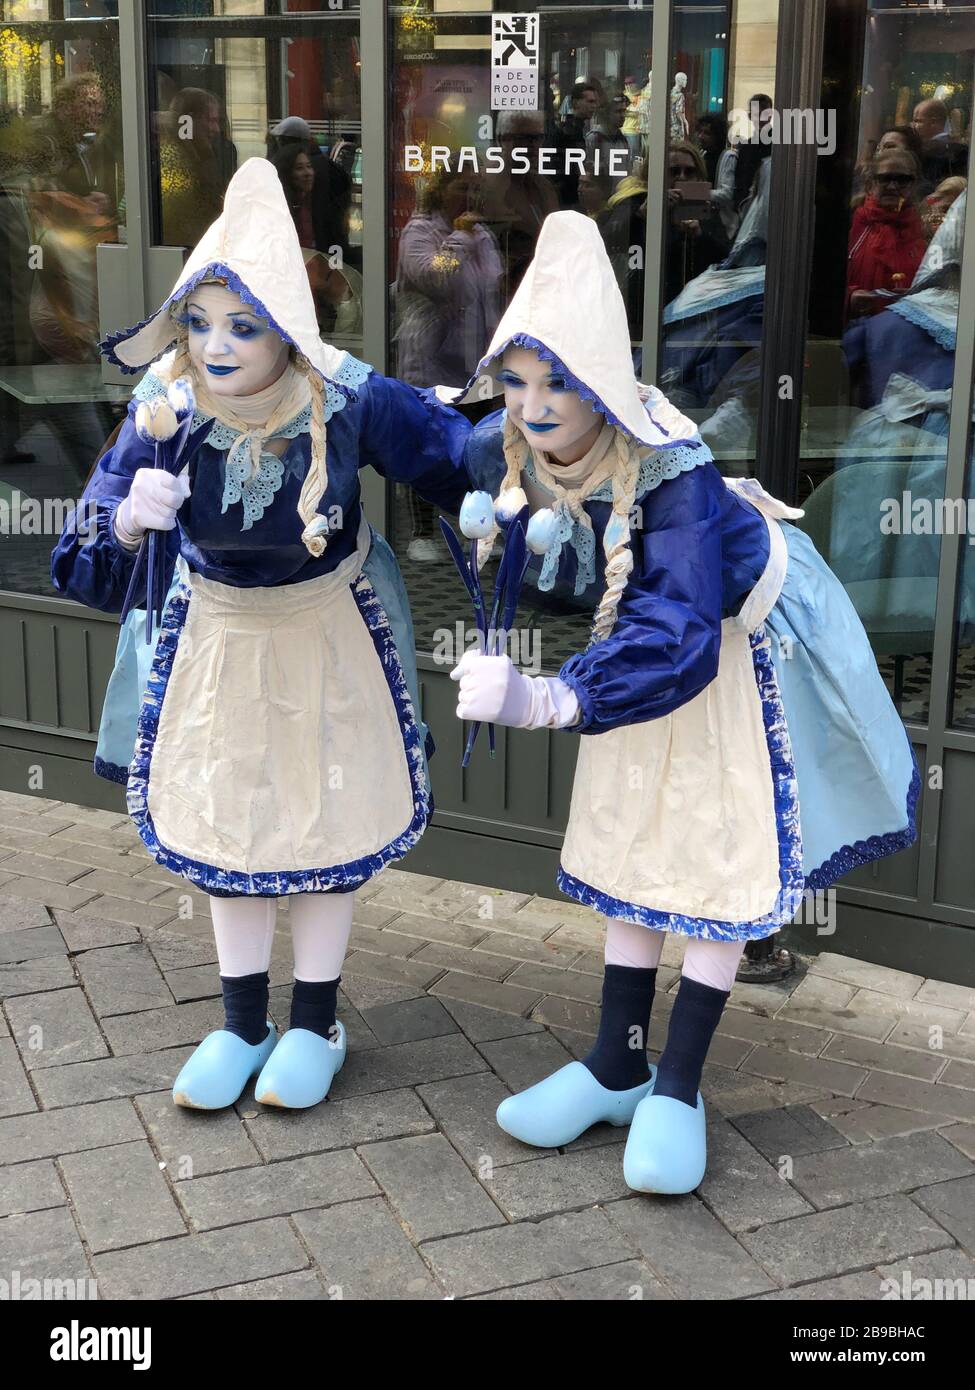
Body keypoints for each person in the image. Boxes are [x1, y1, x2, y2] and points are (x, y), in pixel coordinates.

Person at [442, 211, 917, 1193]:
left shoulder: (681, 481)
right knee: (630, 843)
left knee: (709, 859)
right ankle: (618, 1063)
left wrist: (543, 700)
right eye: (519, 381)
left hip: (732, 659)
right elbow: (468, 453)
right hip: (653, 656)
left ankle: (679, 1086)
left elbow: (677, 633)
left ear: (600, 387)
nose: (532, 406)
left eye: (555, 382)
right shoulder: (550, 444)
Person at [50, 158, 472, 1113]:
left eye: (243, 325)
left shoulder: (348, 395)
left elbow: (458, 463)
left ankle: (316, 1020)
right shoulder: (163, 408)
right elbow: (83, 558)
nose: (217, 344)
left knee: (330, 814)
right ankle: (241, 1022)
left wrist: (529, 475)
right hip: (214, 638)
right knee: (225, 813)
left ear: (287, 326)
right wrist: (124, 521)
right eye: (198, 324)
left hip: (331, 632)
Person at [847, 149, 927, 319]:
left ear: (913, 184)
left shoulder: (925, 230)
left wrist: (919, 298)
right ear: (870, 184)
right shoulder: (851, 223)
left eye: (902, 180)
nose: (892, 186)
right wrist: (849, 297)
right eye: (885, 179)